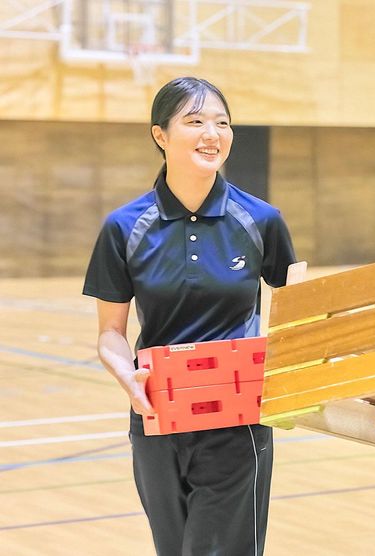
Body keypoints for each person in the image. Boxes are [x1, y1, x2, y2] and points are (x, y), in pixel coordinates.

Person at [83, 77, 296, 555]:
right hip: (157, 415)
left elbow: (298, 312)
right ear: (160, 135)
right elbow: (110, 332)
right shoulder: (124, 227)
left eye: (222, 123)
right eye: (195, 121)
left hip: (237, 420)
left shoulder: (261, 219)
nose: (212, 134)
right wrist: (128, 378)